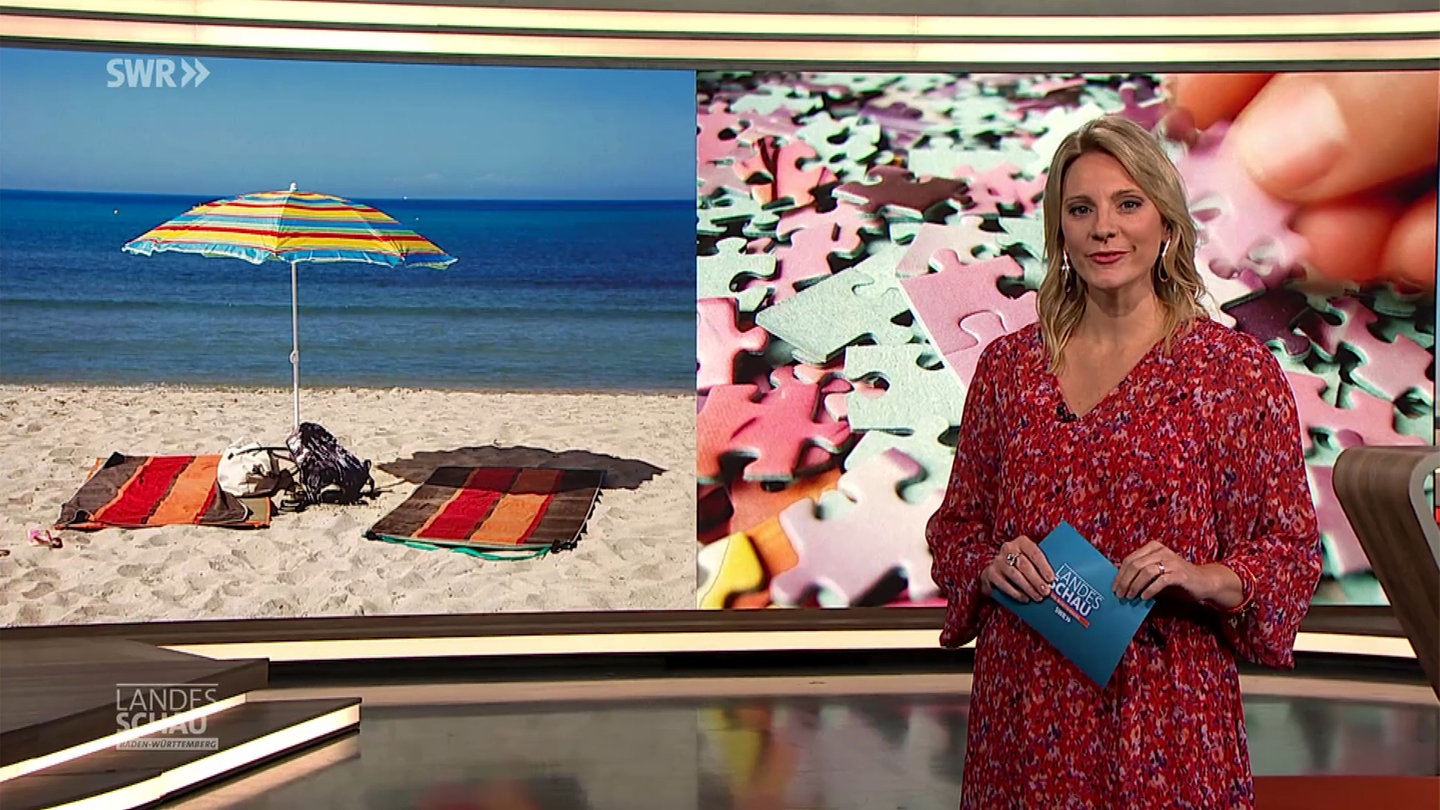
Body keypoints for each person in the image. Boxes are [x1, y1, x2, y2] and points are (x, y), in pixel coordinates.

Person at [925, 114, 1323, 809]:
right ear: (1060, 231)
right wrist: (989, 565)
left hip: (1168, 709)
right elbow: (956, 530)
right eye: (1081, 209)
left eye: (1128, 204)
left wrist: (1204, 576)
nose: (1104, 228)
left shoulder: (1235, 373)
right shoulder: (1007, 369)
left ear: (1166, 222)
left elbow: (1290, 550)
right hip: (1026, 708)